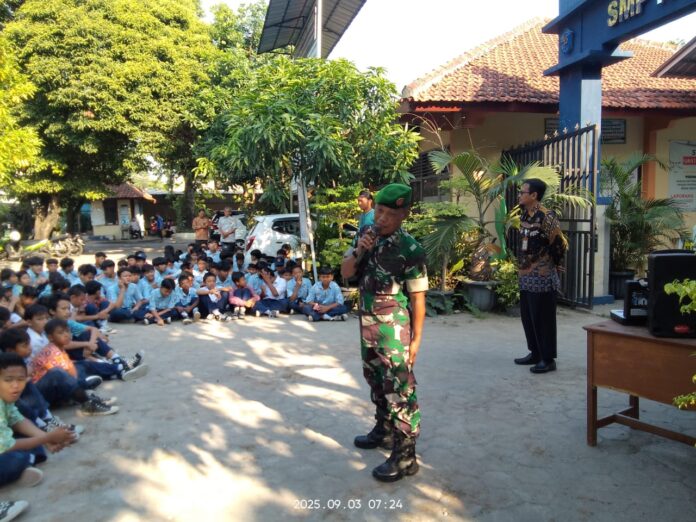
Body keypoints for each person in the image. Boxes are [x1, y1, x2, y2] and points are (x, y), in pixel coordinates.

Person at [341, 183, 428, 483]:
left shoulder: (411, 249)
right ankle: (384, 429)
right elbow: (346, 272)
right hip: (367, 324)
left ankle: (406, 455)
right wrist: (360, 249)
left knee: (399, 388)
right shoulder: (367, 236)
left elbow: (418, 298)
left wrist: (416, 340)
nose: (382, 219)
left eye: (390, 214)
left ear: (404, 215)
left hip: (393, 328)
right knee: (375, 378)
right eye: (379, 211)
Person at [513, 179, 567, 374]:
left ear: (534, 195)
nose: (520, 195)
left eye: (523, 192)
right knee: (528, 316)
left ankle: (548, 358)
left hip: (542, 276)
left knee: (543, 317)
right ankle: (535, 353)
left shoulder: (546, 216)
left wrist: (554, 264)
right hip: (526, 274)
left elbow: (559, 243)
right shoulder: (524, 215)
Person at [0, 353, 76, 489]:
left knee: (29, 437)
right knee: (14, 458)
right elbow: (7, 446)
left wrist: (46, 439)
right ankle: (24, 464)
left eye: (21, 379)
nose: (15, 385)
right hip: (5, 449)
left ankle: (23, 466)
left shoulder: (5, 398)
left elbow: (17, 420)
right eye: (8, 380)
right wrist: (47, 437)